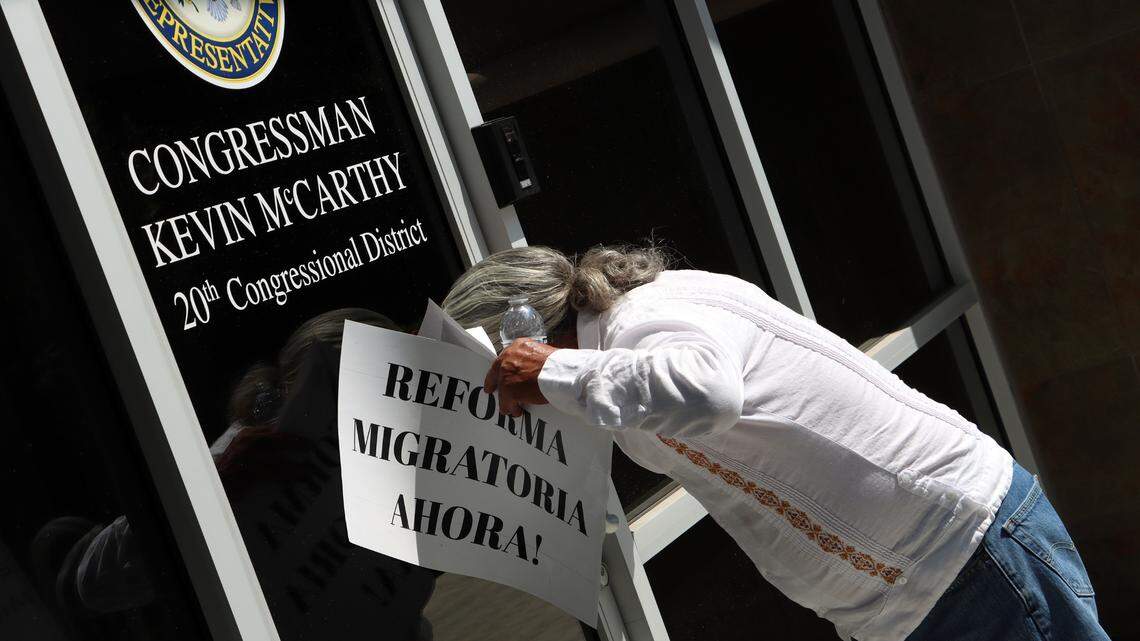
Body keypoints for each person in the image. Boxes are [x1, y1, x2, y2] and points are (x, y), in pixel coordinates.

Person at [442, 245, 1109, 641]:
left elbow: (710, 390)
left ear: (523, 334)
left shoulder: (641, 321)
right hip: (922, 590)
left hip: (962, 560)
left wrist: (554, 373)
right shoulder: (627, 340)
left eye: (505, 375)